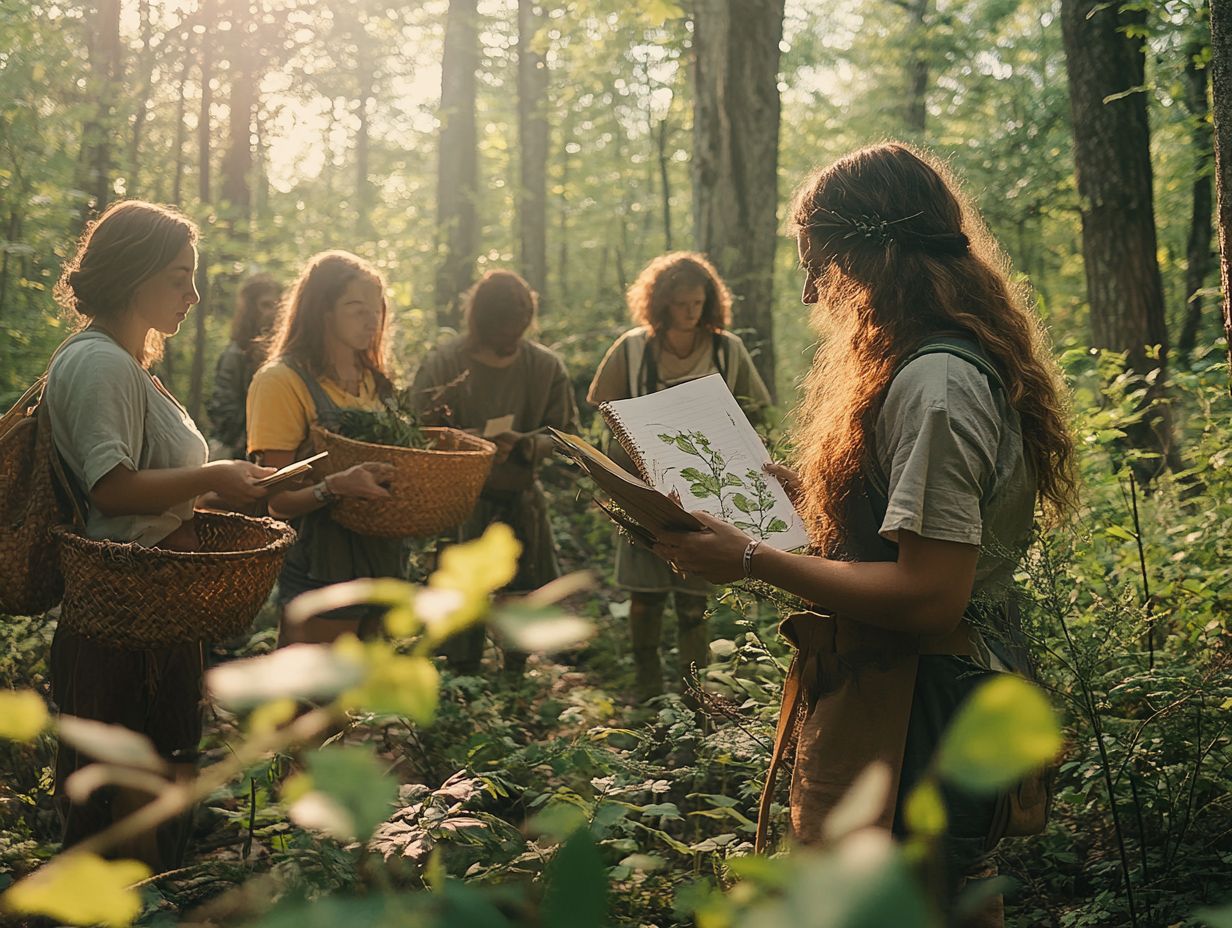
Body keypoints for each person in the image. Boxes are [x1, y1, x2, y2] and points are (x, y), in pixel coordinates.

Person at [652, 144, 1075, 924]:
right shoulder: (927, 369)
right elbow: (918, 540)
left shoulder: (937, 386)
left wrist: (751, 557)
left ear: (881, 254)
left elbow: (926, 596)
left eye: (823, 263)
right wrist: (818, 503)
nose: (813, 290)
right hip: (913, 693)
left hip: (924, 709)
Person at [45, 200, 276, 868]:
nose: (193, 294)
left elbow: (142, 485)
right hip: (122, 619)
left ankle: (161, 891)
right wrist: (214, 476)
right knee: (126, 799)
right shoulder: (101, 365)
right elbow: (110, 488)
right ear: (134, 273)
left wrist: (222, 487)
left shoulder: (125, 362)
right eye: (179, 277)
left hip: (155, 607)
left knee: (160, 778)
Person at [588, 252, 771, 700]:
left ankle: (696, 702)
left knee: (693, 600)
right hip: (641, 490)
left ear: (709, 301)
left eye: (697, 302)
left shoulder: (726, 349)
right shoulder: (634, 348)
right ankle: (648, 696)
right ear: (660, 303)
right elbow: (602, 404)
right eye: (680, 303)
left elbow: (756, 410)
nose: (690, 312)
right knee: (646, 598)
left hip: (705, 490)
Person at [410, 269, 580, 675]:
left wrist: (525, 443)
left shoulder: (544, 366)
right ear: (482, 323)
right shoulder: (444, 364)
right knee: (458, 598)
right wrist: (468, 445)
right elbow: (415, 434)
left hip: (520, 497)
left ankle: (514, 680)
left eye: (519, 326)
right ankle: (462, 680)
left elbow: (566, 433)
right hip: (459, 502)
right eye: (503, 328)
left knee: (522, 593)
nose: (512, 336)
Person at [246, 251, 401, 646]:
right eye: (356, 308)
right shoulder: (281, 381)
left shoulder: (376, 382)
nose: (372, 320)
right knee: (312, 700)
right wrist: (334, 487)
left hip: (385, 559)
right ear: (323, 312)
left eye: (378, 309)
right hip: (323, 566)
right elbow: (276, 502)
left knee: (366, 698)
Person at [207, 273, 282, 460]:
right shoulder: (235, 355)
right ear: (250, 309)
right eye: (265, 305)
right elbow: (224, 408)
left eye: (276, 305)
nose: (272, 312)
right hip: (240, 452)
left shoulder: (283, 353)